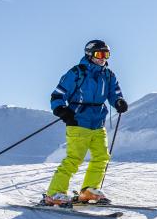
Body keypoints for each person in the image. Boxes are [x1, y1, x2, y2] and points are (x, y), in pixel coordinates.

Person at [43, 39, 127, 206]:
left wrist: (118, 102)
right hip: (78, 121)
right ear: (89, 54)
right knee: (74, 158)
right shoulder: (77, 73)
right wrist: (61, 110)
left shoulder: (108, 75)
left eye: (106, 54)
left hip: (98, 122)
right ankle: (54, 193)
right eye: (99, 54)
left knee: (102, 157)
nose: (103, 58)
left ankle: (89, 189)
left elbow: (114, 93)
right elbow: (57, 95)